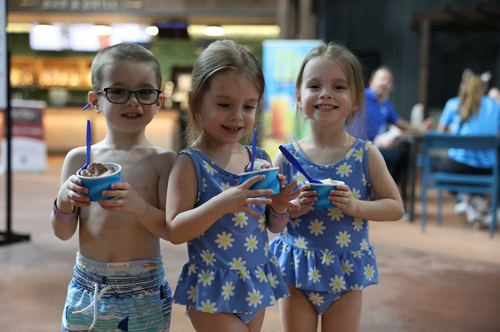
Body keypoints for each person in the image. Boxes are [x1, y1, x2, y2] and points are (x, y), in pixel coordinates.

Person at [165, 40, 300, 332]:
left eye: (248, 106)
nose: (237, 116)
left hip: (254, 285)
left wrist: (279, 206)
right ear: (197, 101)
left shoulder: (260, 159)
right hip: (212, 292)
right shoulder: (191, 164)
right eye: (224, 105)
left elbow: (273, 226)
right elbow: (175, 230)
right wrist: (223, 203)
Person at [269, 42, 405, 331]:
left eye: (339, 87)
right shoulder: (285, 156)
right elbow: (273, 222)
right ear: (298, 96)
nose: (326, 94)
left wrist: (355, 206)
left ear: (356, 99)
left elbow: (395, 207)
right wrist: (289, 209)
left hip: (346, 270)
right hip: (296, 268)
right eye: (314, 86)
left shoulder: (366, 154)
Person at [51, 43, 176, 331]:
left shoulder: (164, 161)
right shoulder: (80, 159)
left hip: (143, 291)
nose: (133, 101)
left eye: (145, 92)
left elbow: (172, 231)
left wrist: (138, 207)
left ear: (158, 102)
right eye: (118, 91)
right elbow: (62, 232)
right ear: (95, 101)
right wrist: (64, 201)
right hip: (87, 287)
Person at [353, 66, 433, 202]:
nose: (385, 82)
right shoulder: (359, 97)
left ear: (391, 87)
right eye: (382, 79)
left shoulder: (386, 105)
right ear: (372, 82)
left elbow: (400, 123)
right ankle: (385, 195)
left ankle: (387, 195)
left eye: (389, 80)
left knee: (401, 157)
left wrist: (420, 129)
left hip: (372, 148)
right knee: (397, 158)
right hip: (355, 148)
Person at [436, 73, 500, 226]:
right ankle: (473, 201)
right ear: (484, 89)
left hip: (457, 167)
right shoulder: (495, 106)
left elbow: (440, 131)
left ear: (463, 87)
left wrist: (455, 129)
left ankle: (467, 198)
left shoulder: (454, 104)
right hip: (488, 168)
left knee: (436, 169)